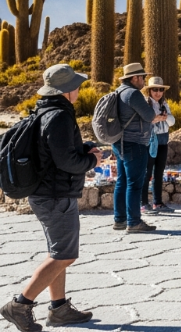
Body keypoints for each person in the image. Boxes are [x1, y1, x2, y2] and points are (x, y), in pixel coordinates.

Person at [1, 64, 100, 331]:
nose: (79, 88)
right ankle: (20, 305)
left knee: (58, 252)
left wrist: (84, 149)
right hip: (55, 195)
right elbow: (66, 161)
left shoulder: (45, 112)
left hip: (47, 192)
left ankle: (59, 309)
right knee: (65, 255)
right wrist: (91, 159)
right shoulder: (59, 116)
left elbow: (55, 151)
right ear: (67, 90)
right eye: (76, 85)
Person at [113, 63, 164, 233]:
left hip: (119, 142)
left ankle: (119, 219)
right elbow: (149, 116)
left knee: (122, 181)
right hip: (134, 143)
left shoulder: (118, 91)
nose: (144, 80)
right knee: (135, 183)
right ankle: (134, 222)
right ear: (135, 78)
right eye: (142, 77)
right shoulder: (133, 94)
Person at [141, 76, 176, 214]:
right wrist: (155, 120)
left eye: (160, 89)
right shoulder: (145, 104)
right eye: (155, 89)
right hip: (150, 140)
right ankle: (143, 203)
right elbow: (144, 122)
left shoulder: (164, 104)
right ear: (149, 91)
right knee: (147, 172)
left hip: (163, 140)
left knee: (159, 173)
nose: (158, 92)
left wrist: (166, 117)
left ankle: (158, 202)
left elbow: (172, 122)